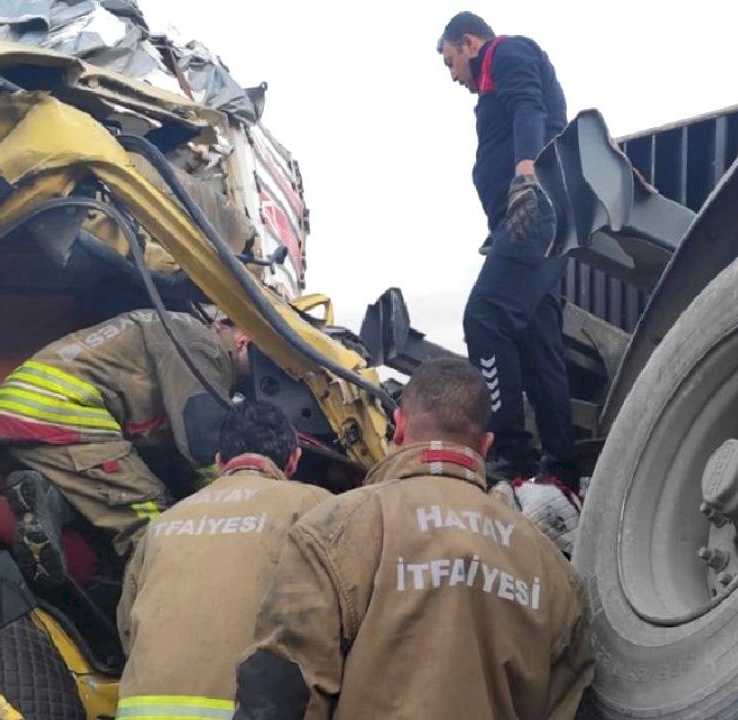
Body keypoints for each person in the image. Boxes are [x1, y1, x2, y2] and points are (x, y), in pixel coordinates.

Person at [233, 358, 593, 720]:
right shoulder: (553, 570)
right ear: (485, 445)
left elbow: (280, 690)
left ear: (400, 426)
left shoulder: (332, 530)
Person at [0, 308, 250, 580]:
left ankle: (52, 499)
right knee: (153, 520)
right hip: (62, 412)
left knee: (109, 487)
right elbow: (201, 446)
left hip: (22, 407)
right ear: (243, 339)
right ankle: (178, 596)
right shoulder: (206, 347)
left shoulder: (179, 325)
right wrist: (241, 502)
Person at [115, 400, 330, 719]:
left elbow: (127, 629)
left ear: (219, 461)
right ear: (294, 459)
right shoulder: (314, 505)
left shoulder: (164, 522)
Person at [437, 11, 578, 488]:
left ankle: (510, 452)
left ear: (470, 42)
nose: (453, 76)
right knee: (540, 347)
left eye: (449, 60)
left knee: (485, 318)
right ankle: (561, 468)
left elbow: (528, 107)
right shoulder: (493, 80)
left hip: (533, 213)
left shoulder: (507, 51)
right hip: (531, 218)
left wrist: (523, 176)